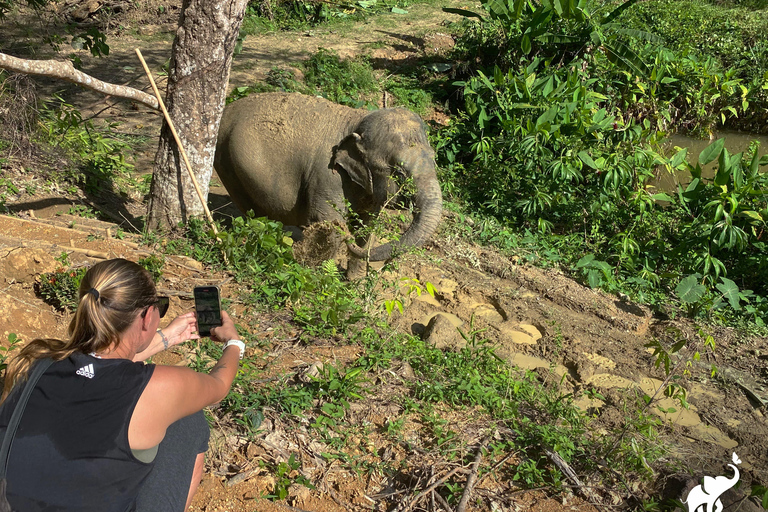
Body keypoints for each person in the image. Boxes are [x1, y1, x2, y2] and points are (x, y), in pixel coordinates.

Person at [0, 258, 245, 512]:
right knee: (188, 420)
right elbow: (218, 386)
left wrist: (166, 338)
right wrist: (234, 344)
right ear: (147, 317)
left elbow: (99, 366)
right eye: (159, 307)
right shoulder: (162, 387)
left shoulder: (32, 363)